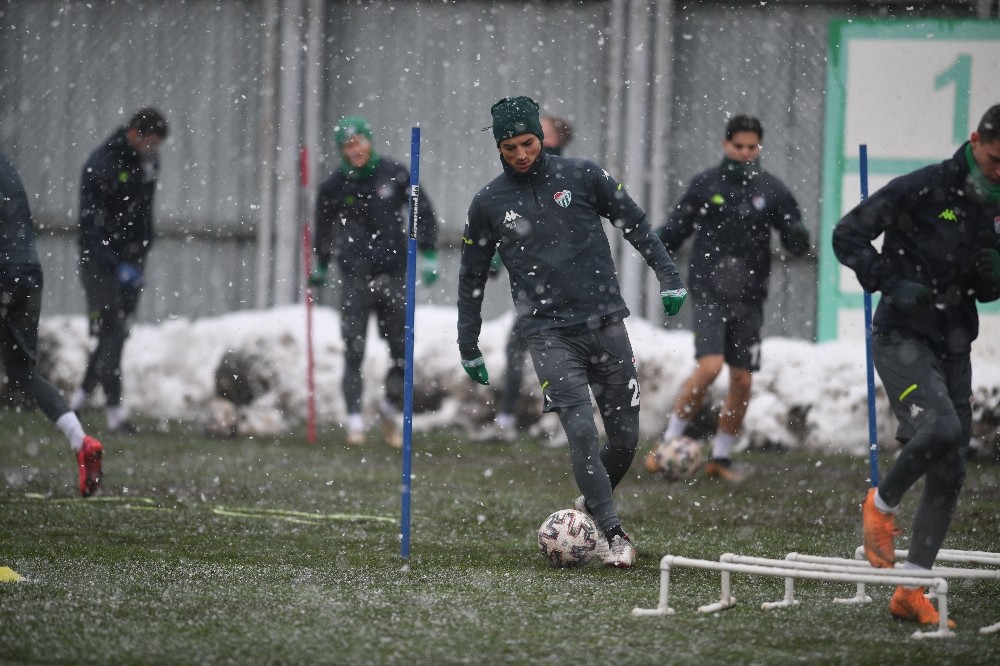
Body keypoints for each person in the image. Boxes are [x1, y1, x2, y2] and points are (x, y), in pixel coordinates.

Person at [457, 96, 687, 568]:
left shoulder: (582, 175)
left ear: (540, 137)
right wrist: (468, 342)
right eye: (510, 146)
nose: (521, 154)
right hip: (547, 334)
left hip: (605, 324)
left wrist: (669, 274)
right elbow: (472, 276)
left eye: (528, 142)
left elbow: (635, 224)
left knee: (625, 440)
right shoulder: (489, 203)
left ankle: (589, 508)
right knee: (581, 430)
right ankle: (614, 532)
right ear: (498, 148)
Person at [833, 103, 1000, 629]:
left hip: (954, 343)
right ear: (976, 141)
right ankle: (881, 506)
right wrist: (888, 278)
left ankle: (910, 588)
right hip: (901, 335)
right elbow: (847, 237)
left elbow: (987, 285)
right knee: (942, 428)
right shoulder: (923, 187)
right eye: (996, 160)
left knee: (951, 470)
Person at [656, 114, 810, 482]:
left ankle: (719, 458)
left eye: (751, 147)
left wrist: (797, 234)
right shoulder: (705, 184)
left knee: (742, 380)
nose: (744, 153)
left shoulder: (771, 189)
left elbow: (795, 236)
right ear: (726, 145)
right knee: (709, 368)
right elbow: (676, 228)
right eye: (738, 146)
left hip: (750, 297)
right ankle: (668, 445)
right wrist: (657, 243)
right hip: (710, 289)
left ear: (759, 147)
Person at [310, 116, 440, 447]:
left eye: (360, 142)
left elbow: (419, 211)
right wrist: (321, 264)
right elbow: (323, 228)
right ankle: (355, 422)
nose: (355, 150)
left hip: (393, 273)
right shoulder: (334, 187)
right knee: (353, 348)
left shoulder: (395, 175)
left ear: (370, 141)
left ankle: (388, 406)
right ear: (341, 150)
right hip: (354, 276)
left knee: (401, 350)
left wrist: (427, 252)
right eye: (348, 145)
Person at [1, 149, 104, 496]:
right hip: (28, 273)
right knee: (23, 372)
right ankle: (80, 439)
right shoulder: (8, 167)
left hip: (3, 271)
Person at [478, 114, 575, 444]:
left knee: (559, 355)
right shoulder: (528, 176)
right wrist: (494, 255)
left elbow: (533, 225)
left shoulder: (558, 176)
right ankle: (508, 419)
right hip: (536, 286)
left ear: (552, 140)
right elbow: (515, 223)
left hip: (560, 283)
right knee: (521, 348)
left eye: (538, 133)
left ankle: (566, 425)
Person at [70, 107, 169, 434]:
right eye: (151, 142)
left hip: (130, 262)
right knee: (112, 330)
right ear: (134, 135)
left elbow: (144, 215)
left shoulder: (148, 164)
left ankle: (77, 403)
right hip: (99, 263)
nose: (154, 150)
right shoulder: (101, 165)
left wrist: (140, 253)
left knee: (116, 334)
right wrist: (115, 264)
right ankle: (114, 414)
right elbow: (90, 225)